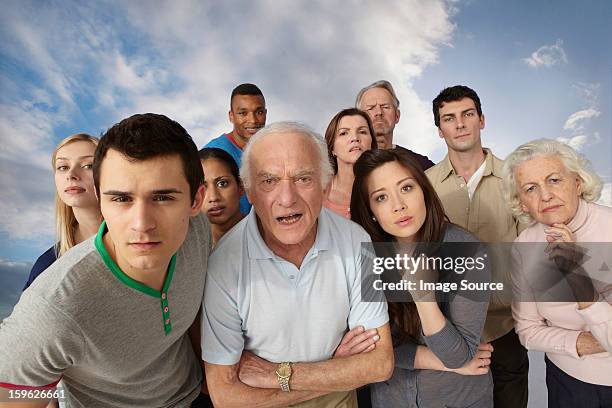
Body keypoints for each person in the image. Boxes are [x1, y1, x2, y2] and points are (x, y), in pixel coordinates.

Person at [0, 113, 211, 407]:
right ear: (99, 198)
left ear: (196, 201)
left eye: (162, 198)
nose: (142, 223)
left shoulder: (198, 231)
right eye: (121, 199)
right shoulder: (53, 308)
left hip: (196, 395)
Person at [201, 122, 393, 408]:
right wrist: (334, 371)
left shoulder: (355, 240)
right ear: (250, 192)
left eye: (303, 178)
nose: (287, 199)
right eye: (269, 181)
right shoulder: (222, 265)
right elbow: (225, 396)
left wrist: (278, 374)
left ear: (325, 186)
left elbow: (379, 364)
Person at [351, 148, 493, 407]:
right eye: (381, 197)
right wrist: (443, 361)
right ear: (371, 210)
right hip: (390, 398)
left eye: (406, 188)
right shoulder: (365, 257)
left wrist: (424, 298)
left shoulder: (468, 250)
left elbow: (457, 356)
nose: (399, 206)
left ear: (424, 191)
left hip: (456, 399)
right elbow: (369, 348)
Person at [426, 85, 528, 407]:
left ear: (482, 120)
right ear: (439, 129)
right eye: (449, 118)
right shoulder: (423, 186)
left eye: (468, 114)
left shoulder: (516, 179)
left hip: (505, 329)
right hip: (447, 334)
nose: (460, 124)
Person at [502, 138, 612, 407]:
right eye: (531, 188)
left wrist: (575, 272)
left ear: (577, 182)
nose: (545, 196)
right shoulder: (523, 247)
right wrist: (579, 342)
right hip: (567, 382)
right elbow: (527, 331)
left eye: (554, 180)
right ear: (523, 203)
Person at [23, 134, 102, 290]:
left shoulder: (145, 244)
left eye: (88, 165)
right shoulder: (46, 267)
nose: (71, 175)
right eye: (63, 167)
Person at [204, 83, 267, 214]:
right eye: (243, 113)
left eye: (259, 112)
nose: (253, 120)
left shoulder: (271, 151)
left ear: (265, 113)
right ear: (231, 116)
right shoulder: (213, 155)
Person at [355, 80, 434, 170]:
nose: (379, 112)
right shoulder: (348, 163)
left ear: (397, 115)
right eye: (370, 108)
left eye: (385, 107)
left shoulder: (421, 165)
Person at [323, 108, 377, 219]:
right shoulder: (317, 191)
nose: (355, 138)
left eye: (362, 132)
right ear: (332, 148)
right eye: (343, 133)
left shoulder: (385, 188)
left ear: (372, 143)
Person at [199, 148, 245, 246]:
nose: (213, 197)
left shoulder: (266, 235)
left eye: (222, 183)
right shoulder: (189, 246)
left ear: (241, 187)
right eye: (202, 188)